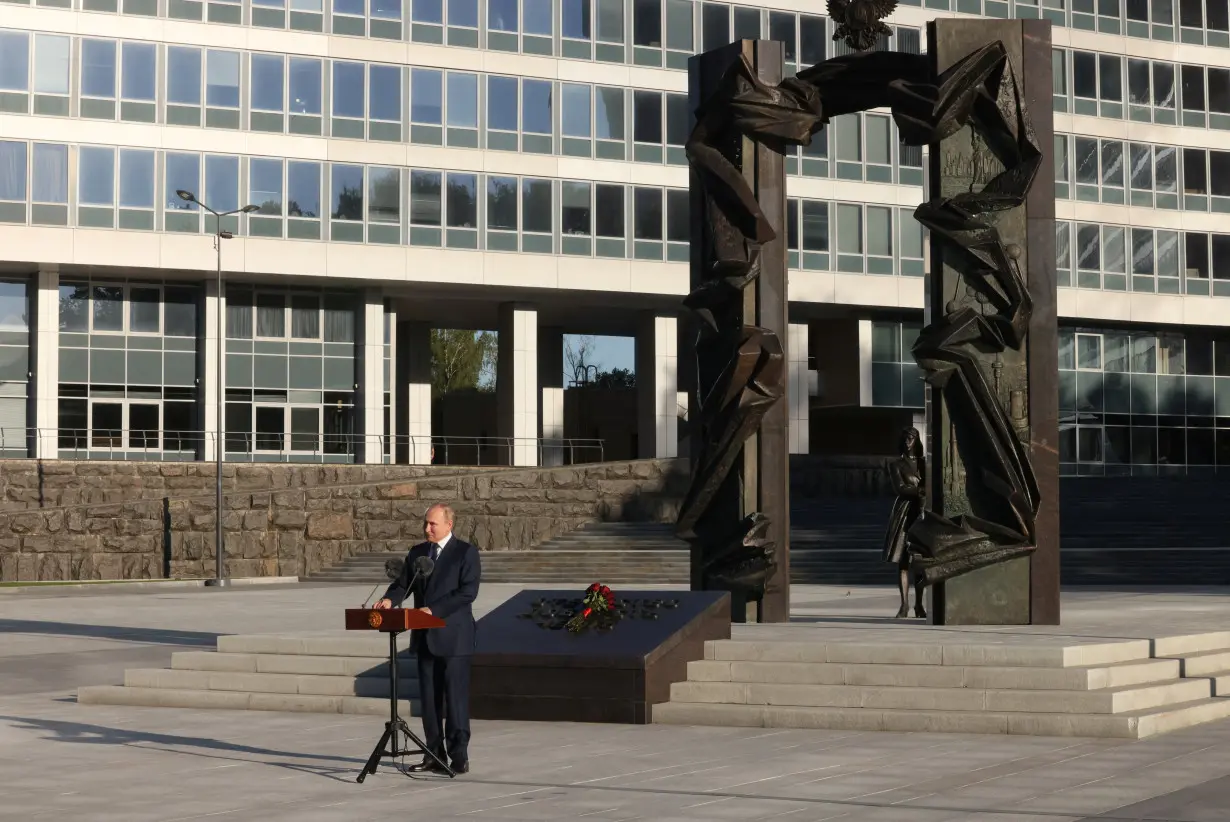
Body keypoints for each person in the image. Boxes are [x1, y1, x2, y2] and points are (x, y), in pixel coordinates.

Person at [374, 504, 481, 774]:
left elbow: (468, 592)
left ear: (449, 524)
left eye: (432, 524)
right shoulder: (418, 553)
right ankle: (433, 753)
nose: (427, 529)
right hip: (425, 639)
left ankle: (459, 756)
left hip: (454, 639)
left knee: (454, 701)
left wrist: (433, 610)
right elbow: (403, 585)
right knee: (429, 702)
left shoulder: (465, 553)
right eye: (425, 523)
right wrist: (389, 599)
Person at [883, 426, 926, 619]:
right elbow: (900, 488)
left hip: (922, 512)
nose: (909, 441)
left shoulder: (925, 463)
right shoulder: (896, 464)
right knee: (903, 561)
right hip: (905, 512)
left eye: (913, 438)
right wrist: (919, 491)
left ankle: (919, 605)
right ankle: (904, 605)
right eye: (906, 438)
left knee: (920, 561)